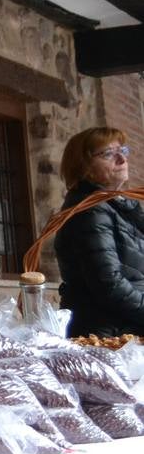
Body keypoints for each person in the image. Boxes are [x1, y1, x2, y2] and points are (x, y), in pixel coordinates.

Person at [53, 127, 144, 338]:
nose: (122, 158)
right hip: (107, 335)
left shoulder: (119, 207)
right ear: (84, 167)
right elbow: (108, 283)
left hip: (125, 328)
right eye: (108, 153)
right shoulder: (90, 211)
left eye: (122, 150)